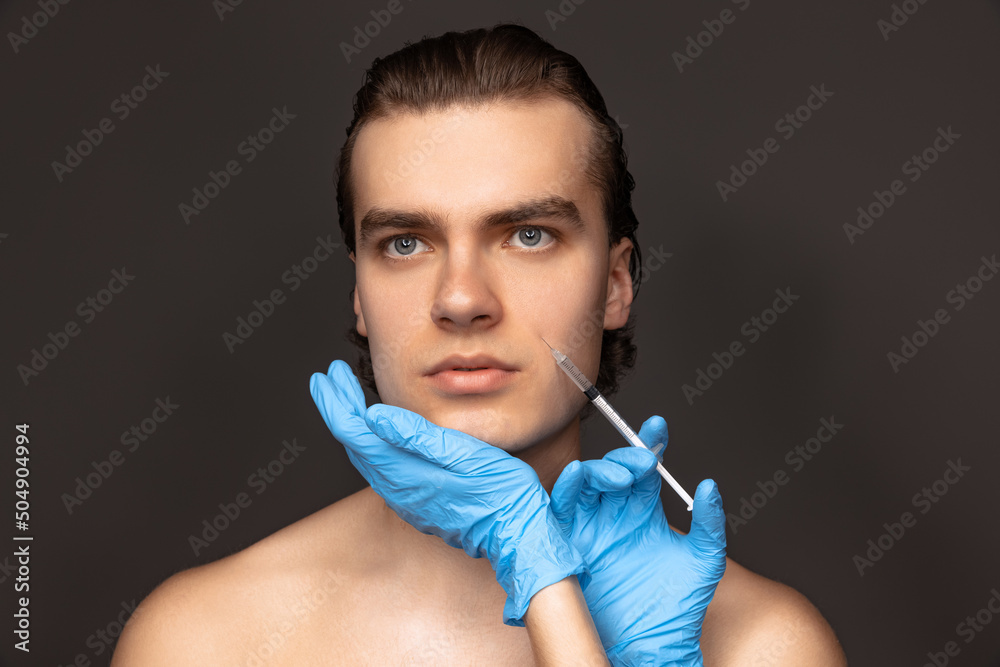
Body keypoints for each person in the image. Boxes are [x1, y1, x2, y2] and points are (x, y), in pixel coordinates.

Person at [112, 23, 847, 665]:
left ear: (615, 283)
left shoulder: (763, 647)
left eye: (529, 235)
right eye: (405, 242)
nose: (462, 299)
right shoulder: (203, 639)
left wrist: (559, 601)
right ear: (359, 293)